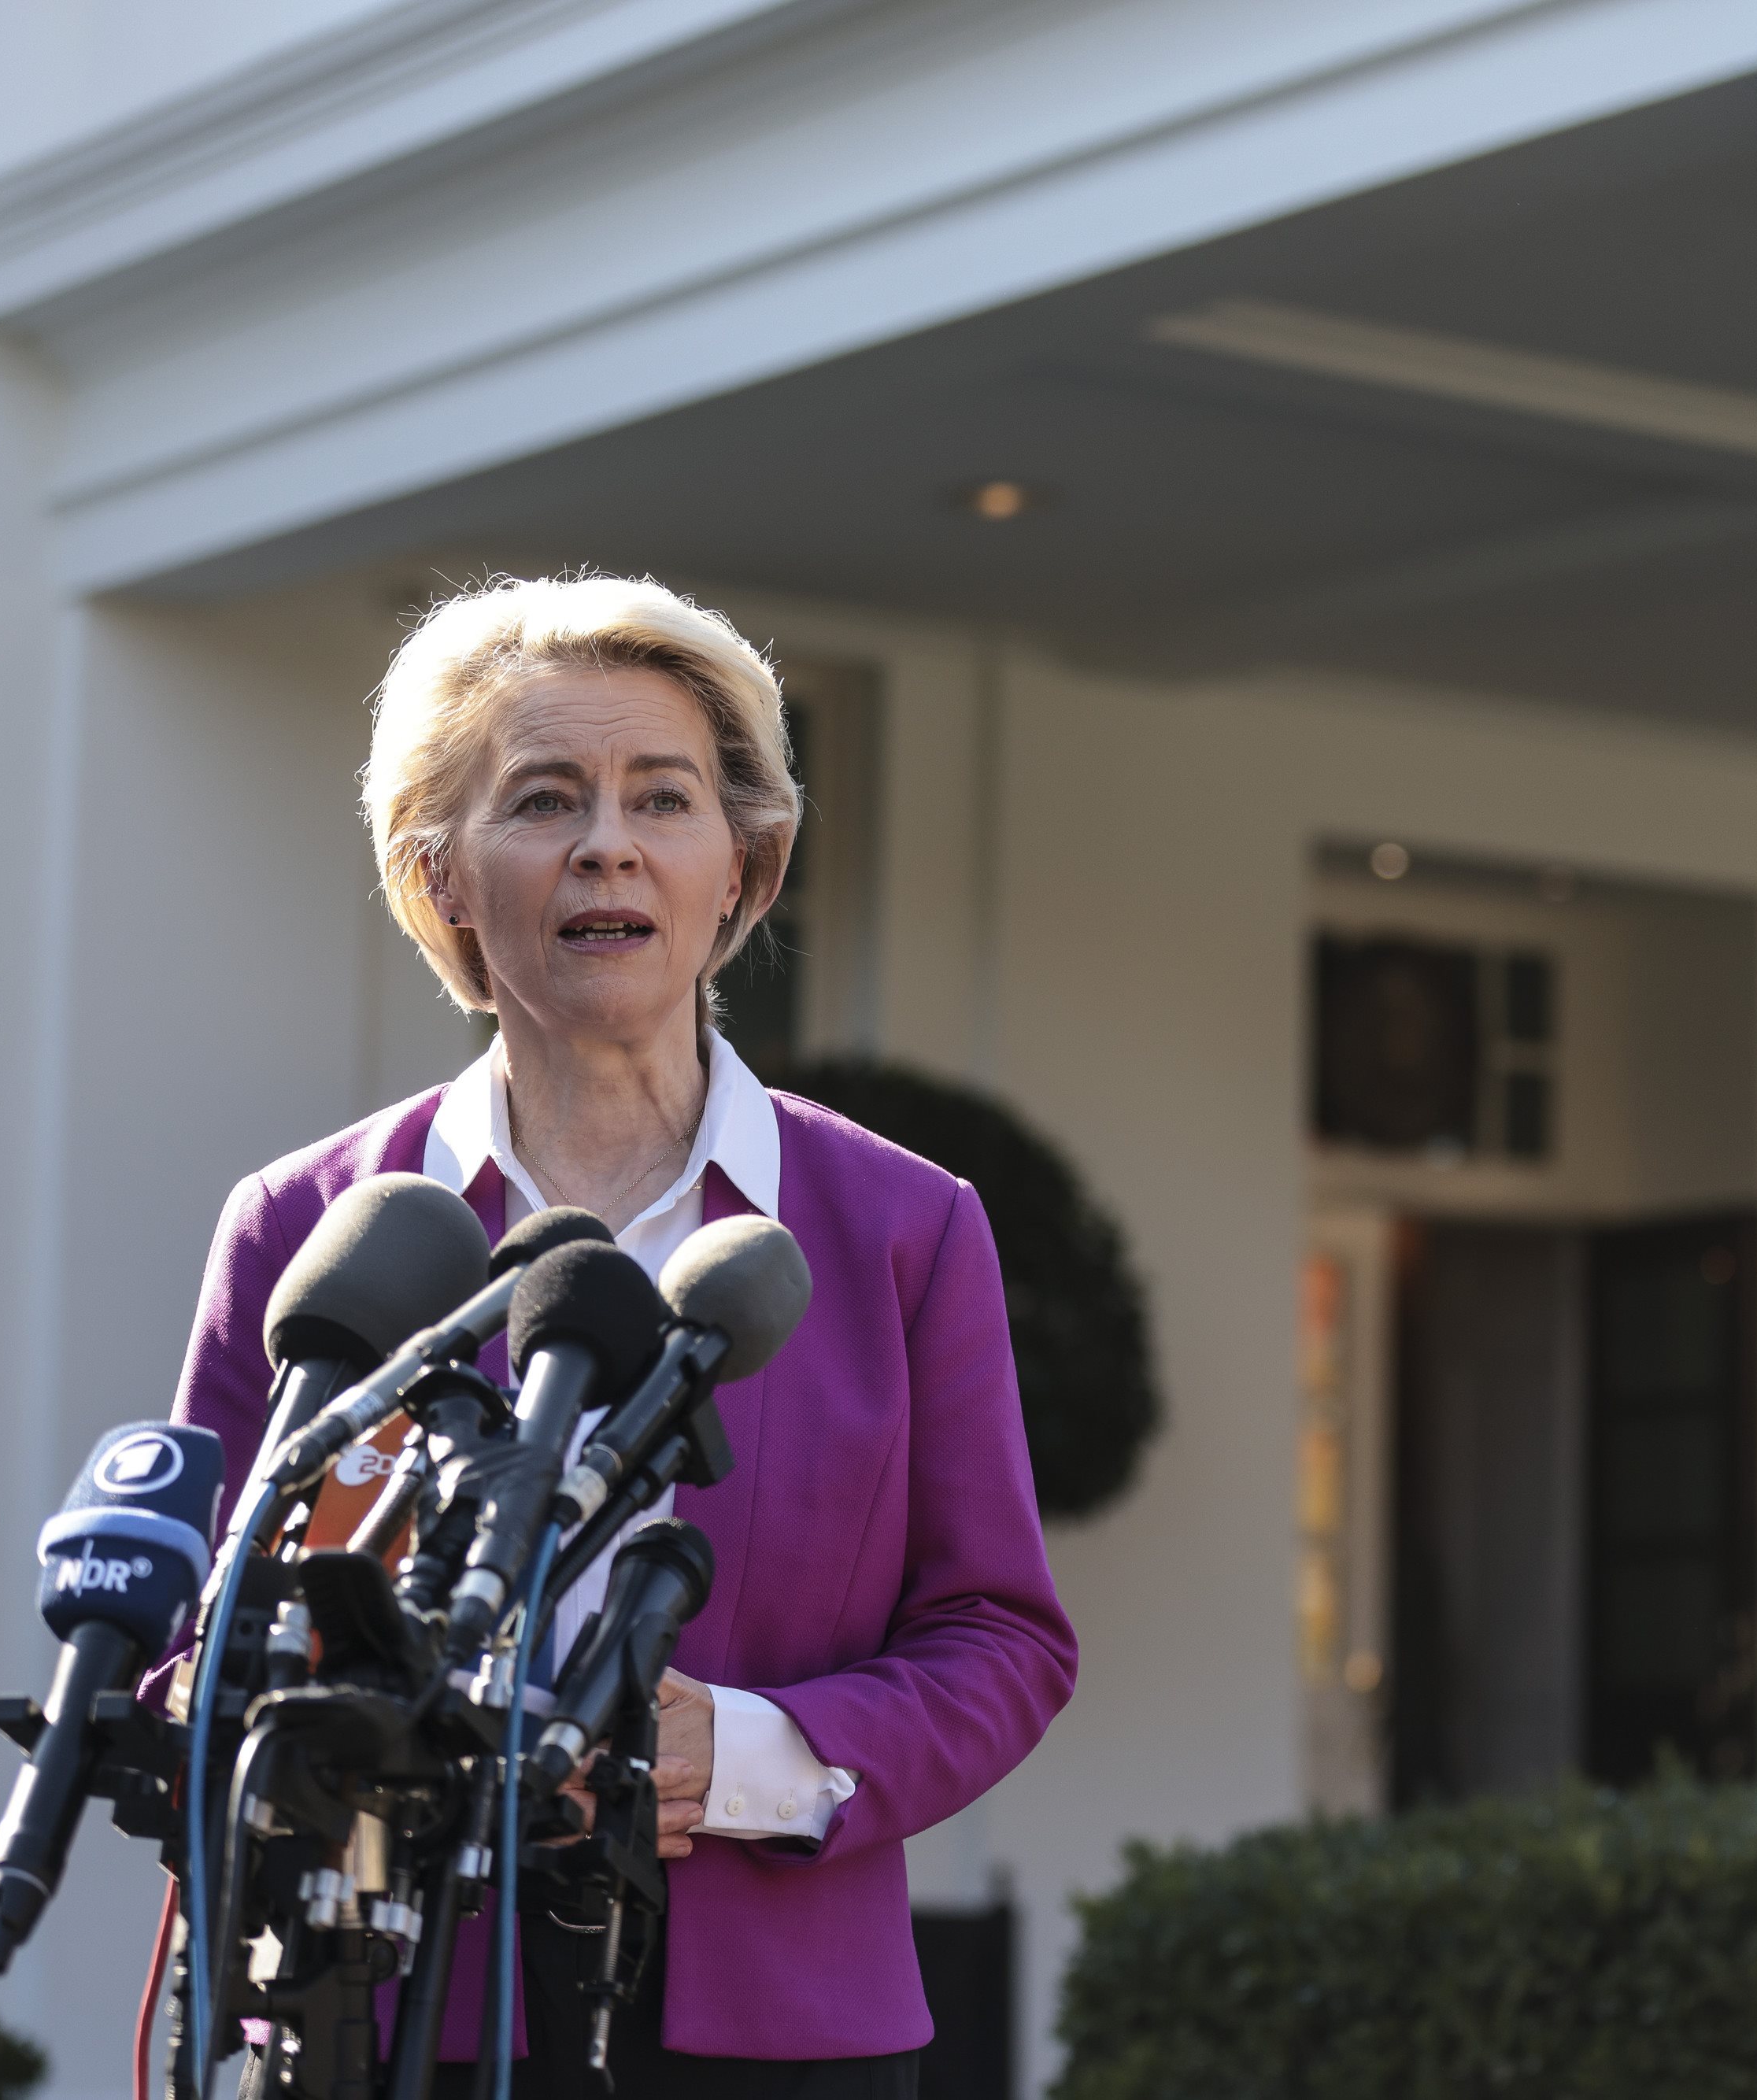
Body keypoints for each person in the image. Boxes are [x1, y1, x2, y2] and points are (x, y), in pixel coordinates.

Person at [169, 575, 1076, 2095]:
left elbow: (1002, 1639)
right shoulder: (307, 1222)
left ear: (741, 866)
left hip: (779, 2029)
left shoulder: (904, 1225)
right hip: (383, 2004)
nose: (609, 843)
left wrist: (745, 1752)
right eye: (543, 799)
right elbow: (193, 1634)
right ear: (444, 875)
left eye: (664, 797)